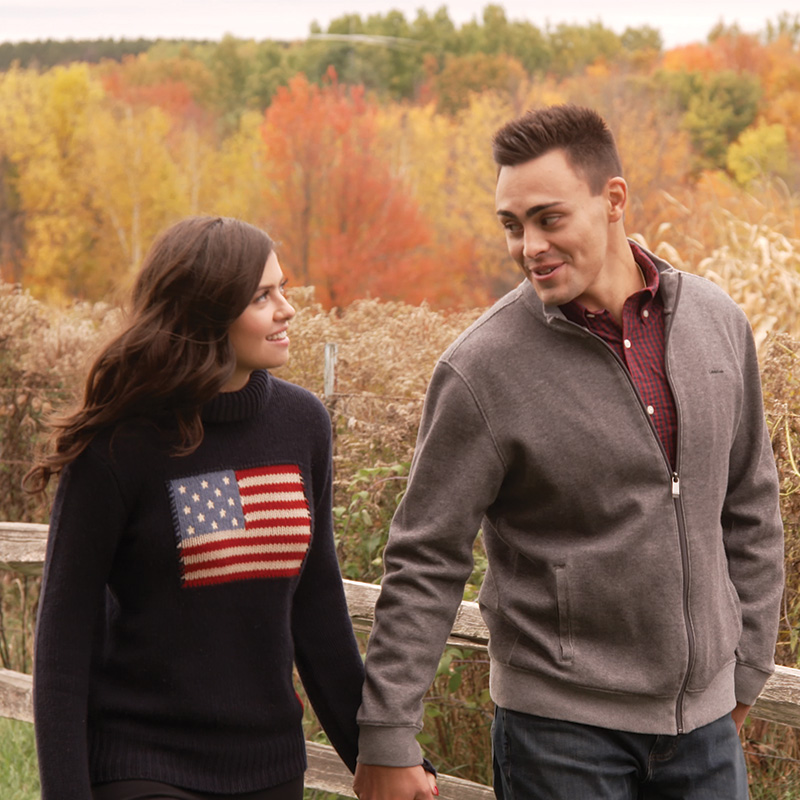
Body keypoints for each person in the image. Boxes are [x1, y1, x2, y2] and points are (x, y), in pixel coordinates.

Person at [353, 105, 785, 800]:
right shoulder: (481, 368)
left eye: (549, 219)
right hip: (559, 735)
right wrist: (387, 732)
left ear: (612, 199)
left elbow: (751, 505)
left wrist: (748, 667)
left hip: (706, 731)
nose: (529, 246)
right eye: (512, 225)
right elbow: (426, 556)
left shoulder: (717, 323)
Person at [28, 216, 365, 800]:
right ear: (207, 312)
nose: (287, 309)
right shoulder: (120, 445)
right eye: (262, 297)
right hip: (144, 764)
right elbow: (63, 640)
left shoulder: (303, 423)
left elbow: (318, 611)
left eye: (283, 289)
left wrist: (380, 755)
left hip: (270, 768)